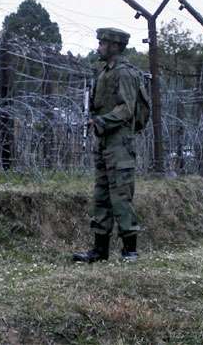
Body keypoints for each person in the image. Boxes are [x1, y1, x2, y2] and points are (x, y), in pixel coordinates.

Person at [72, 27, 143, 263]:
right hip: (104, 141)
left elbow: (126, 109)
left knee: (121, 196)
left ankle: (130, 250)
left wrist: (101, 122)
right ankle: (99, 250)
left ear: (114, 46)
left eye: (103, 43)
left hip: (119, 142)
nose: (99, 47)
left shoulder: (124, 73)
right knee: (101, 195)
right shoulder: (104, 73)